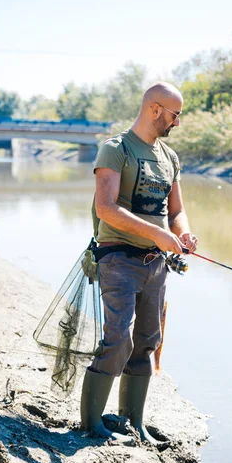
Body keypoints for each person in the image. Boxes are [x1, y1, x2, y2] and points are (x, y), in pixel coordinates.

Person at [80, 82, 198, 443]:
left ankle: (133, 421)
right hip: (118, 258)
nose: (177, 123)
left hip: (155, 263)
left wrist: (184, 234)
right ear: (155, 109)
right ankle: (92, 423)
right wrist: (157, 235)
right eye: (175, 115)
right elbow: (106, 208)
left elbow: (175, 212)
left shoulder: (170, 158)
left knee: (147, 340)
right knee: (118, 340)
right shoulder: (115, 150)